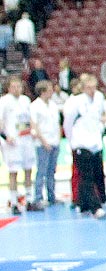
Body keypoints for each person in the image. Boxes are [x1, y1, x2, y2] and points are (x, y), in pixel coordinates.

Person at [61, 72, 106, 218]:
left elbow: (97, 118)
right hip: (81, 143)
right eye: (89, 88)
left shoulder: (99, 98)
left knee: (96, 174)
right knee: (86, 176)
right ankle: (95, 207)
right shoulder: (75, 102)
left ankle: (83, 203)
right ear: (83, 88)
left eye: (94, 87)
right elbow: (68, 123)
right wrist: (72, 141)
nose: (92, 90)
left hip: (96, 143)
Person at [0, 74, 35, 213]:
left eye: (19, 86)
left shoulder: (26, 100)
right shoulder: (3, 101)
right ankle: (14, 202)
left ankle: (29, 200)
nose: (16, 89)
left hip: (26, 139)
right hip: (12, 141)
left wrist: (32, 132)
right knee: (13, 171)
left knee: (28, 169)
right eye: (13, 87)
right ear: (8, 88)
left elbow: (30, 119)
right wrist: (5, 136)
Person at [28, 79, 60, 208]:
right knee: (41, 170)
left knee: (52, 171)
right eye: (50, 89)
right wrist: (44, 141)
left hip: (54, 141)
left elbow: (57, 123)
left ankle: (52, 195)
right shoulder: (35, 106)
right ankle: (38, 197)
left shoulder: (53, 105)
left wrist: (57, 139)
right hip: (42, 143)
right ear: (43, 91)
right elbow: (34, 126)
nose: (52, 91)